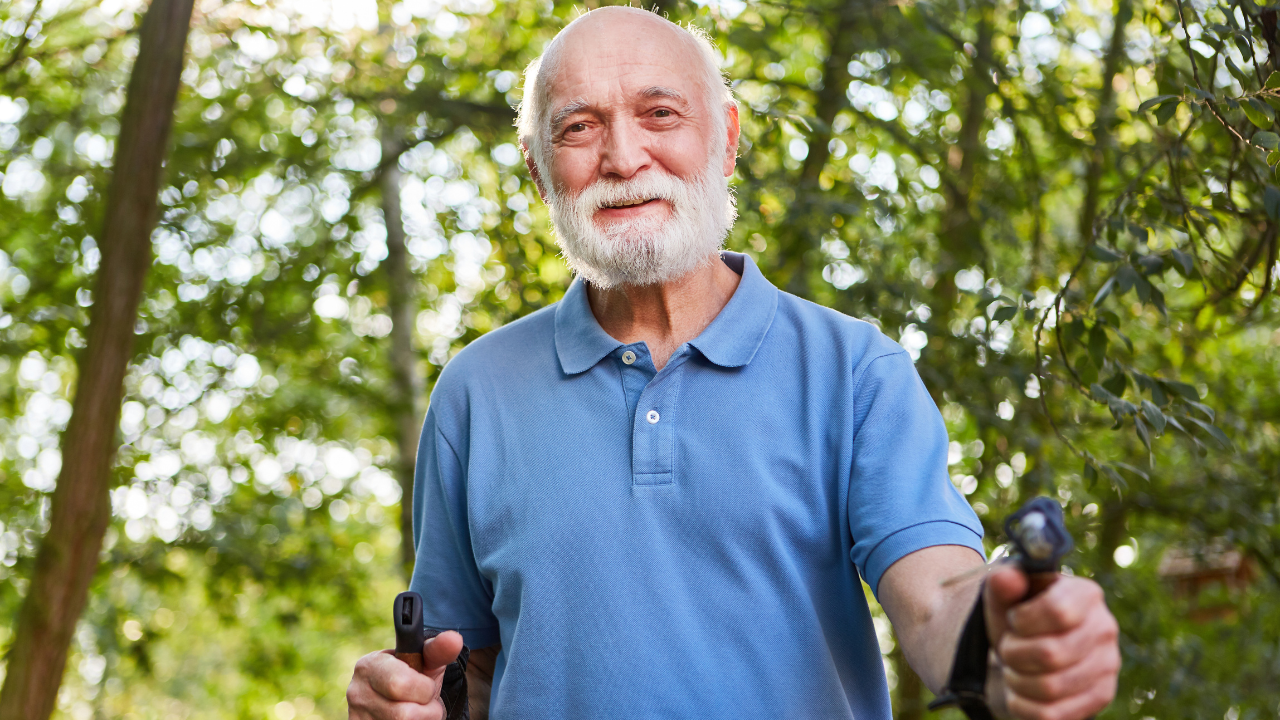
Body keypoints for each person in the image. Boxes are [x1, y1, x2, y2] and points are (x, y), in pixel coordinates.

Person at [346, 7, 1120, 720]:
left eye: (660, 115)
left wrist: (1008, 633)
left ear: (726, 137)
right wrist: (402, 702)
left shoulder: (855, 372)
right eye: (578, 128)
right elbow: (468, 676)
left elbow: (937, 600)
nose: (623, 156)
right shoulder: (476, 392)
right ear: (537, 169)